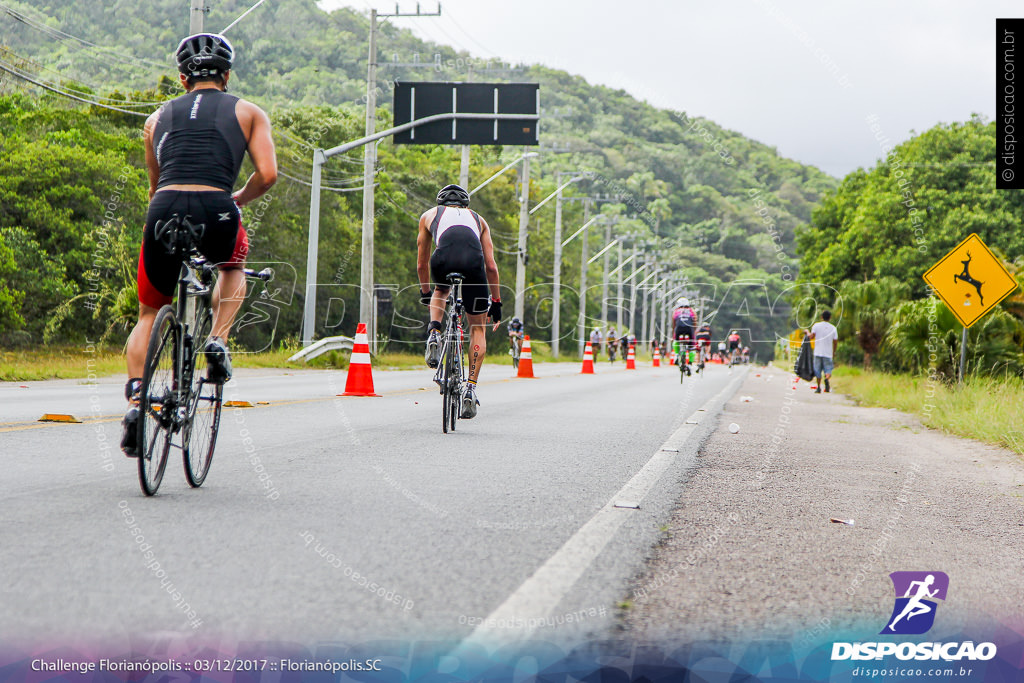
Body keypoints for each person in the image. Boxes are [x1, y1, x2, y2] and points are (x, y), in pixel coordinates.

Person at [121, 33, 277, 457]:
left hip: (165, 207)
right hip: (217, 207)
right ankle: (219, 340)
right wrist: (239, 199)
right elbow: (268, 174)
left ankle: (137, 402)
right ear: (227, 75)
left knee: (150, 312)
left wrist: (166, 206)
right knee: (230, 268)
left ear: (182, 78)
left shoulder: (156, 118)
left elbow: (155, 185)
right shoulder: (248, 111)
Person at [417, 184, 501, 418]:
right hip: (473, 264)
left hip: (443, 260)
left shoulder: (429, 215)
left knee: (441, 291)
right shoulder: (479, 220)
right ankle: (470, 389)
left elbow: (422, 264)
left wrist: (426, 292)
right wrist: (496, 302)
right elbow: (491, 266)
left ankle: (434, 333)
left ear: (440, 202)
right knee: (477, 329)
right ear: (466, 205)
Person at [808, 310, 839, 393]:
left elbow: (811, 337)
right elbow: (835, 341)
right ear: (830, 318)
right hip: (828, 353)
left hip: (817, 352)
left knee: (817, 370)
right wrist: (834, 351)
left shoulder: (816, 326)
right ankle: (826, 379)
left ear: (821, 317)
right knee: (828, 369)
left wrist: (807, 332)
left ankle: (818, 387)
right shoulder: (833, 328)